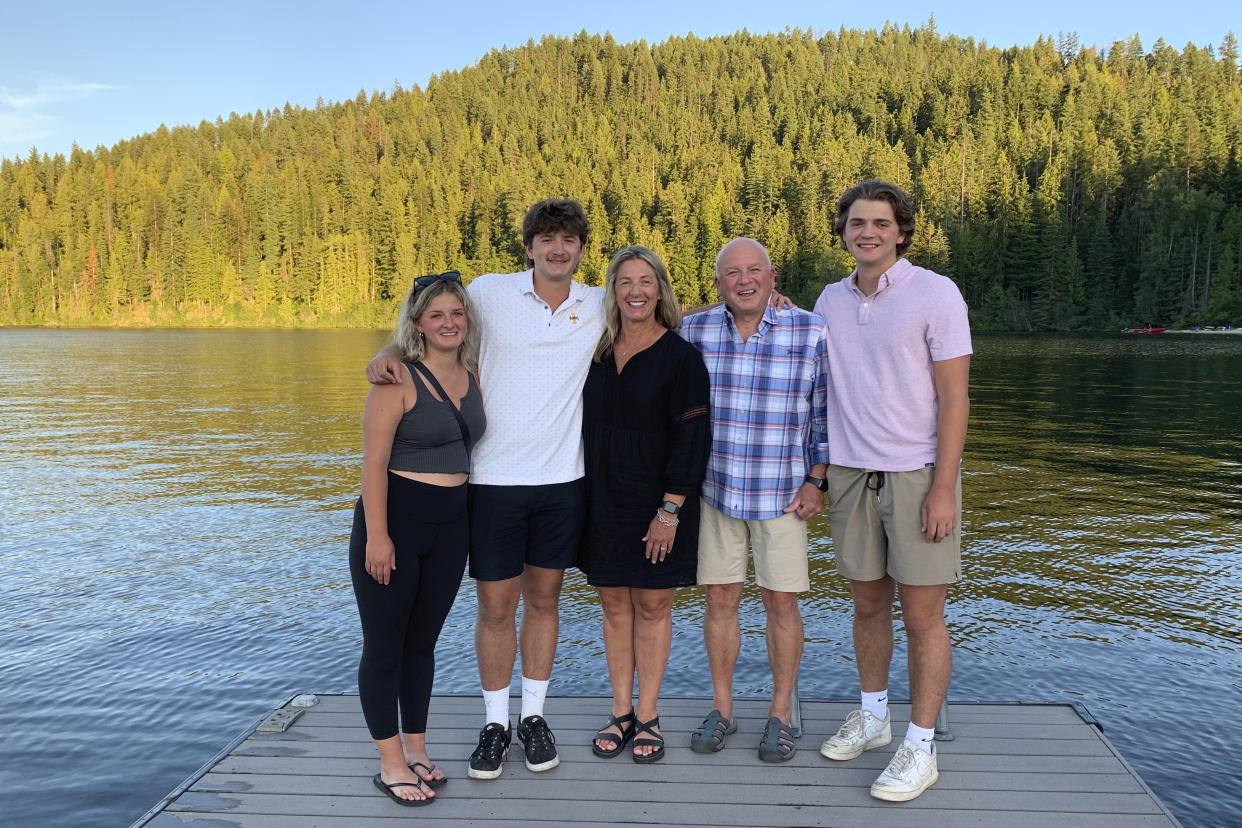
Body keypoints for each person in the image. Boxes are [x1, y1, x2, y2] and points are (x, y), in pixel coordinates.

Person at [366, 200, 604, 779]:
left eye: (568, 240)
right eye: (545, 239)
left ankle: (534, 719)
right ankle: (495, 723)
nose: (557, 249)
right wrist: (388, 352)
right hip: (493, 484)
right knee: (497, 607)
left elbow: (656, 310)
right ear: (528, 247)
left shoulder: (597, 302)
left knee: (545, 602)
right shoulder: (489, 292)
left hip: (562, 482)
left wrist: (745, 300)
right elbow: (434, 324)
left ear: (580, 249)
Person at [814, 180, 971, 802]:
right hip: (851, 474)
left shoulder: (936, 293)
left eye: (881, 223)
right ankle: (875, 717)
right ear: (845, 232)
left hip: (916, 476)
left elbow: (955, 397)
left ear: (901, 231)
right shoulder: (830, 299)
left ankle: (921, 744)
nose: (868, 232)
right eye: (857, 223)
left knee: (923, 616)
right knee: (867, 605)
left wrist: (944, 487)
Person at [680, 237, 829, 763]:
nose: (744, 281)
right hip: (715, 490)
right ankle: (722, 709)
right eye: (732, 274)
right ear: (717, 283)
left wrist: (818, 480)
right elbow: (643, 319)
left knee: (780, 603)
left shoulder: (810, 329)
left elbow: (822, 415)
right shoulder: (694, 330)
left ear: (772, 276)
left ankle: (780, 714)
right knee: (720, 601)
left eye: (754, 271)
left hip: (783, 493)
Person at [349, 271, 485, 806]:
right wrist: (377, 537)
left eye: (457, 313)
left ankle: (417, 749)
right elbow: (374, 463)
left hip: (452, 526)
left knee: (422, 646)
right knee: (385, 646)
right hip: (396, 523)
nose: (449, 323)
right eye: (436, 315)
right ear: (418, 324)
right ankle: (389, 764)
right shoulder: (397, 379)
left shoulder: (473, 373)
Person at [581, 246, 710, 764]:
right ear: (612, 291)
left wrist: (670, 510)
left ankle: (650, 713)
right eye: (624, 282)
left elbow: (692, 440)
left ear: (660, 289)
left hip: (660, 502)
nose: (635, 291)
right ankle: (621, 711)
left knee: (653, 606)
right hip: (601, 498)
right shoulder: (593, 348)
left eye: (646, 281)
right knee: (613, 604)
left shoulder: (682, 358)